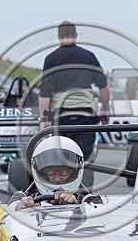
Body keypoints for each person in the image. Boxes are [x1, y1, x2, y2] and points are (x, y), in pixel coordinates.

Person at [38, 21, 111, 186]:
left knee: (61, 158)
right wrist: (105, 110)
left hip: (61, 115)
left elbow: (44, 94)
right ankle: (84, 194)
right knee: (83, 159)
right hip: (85, 114)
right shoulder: (89, 56)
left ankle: (62, 192)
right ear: (76, 35)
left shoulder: (51, 59)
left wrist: (43, 119)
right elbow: (103, 87)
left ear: (58, 37)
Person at [9, 136, 102, 211]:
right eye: (50, 172)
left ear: (75, 173)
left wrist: (77, 207)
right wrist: (21, 209)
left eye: (64, 173)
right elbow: (7, 214)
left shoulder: (89, 201)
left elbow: (99, 213)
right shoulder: (22, 197)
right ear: (40, 173)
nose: (57, 179)